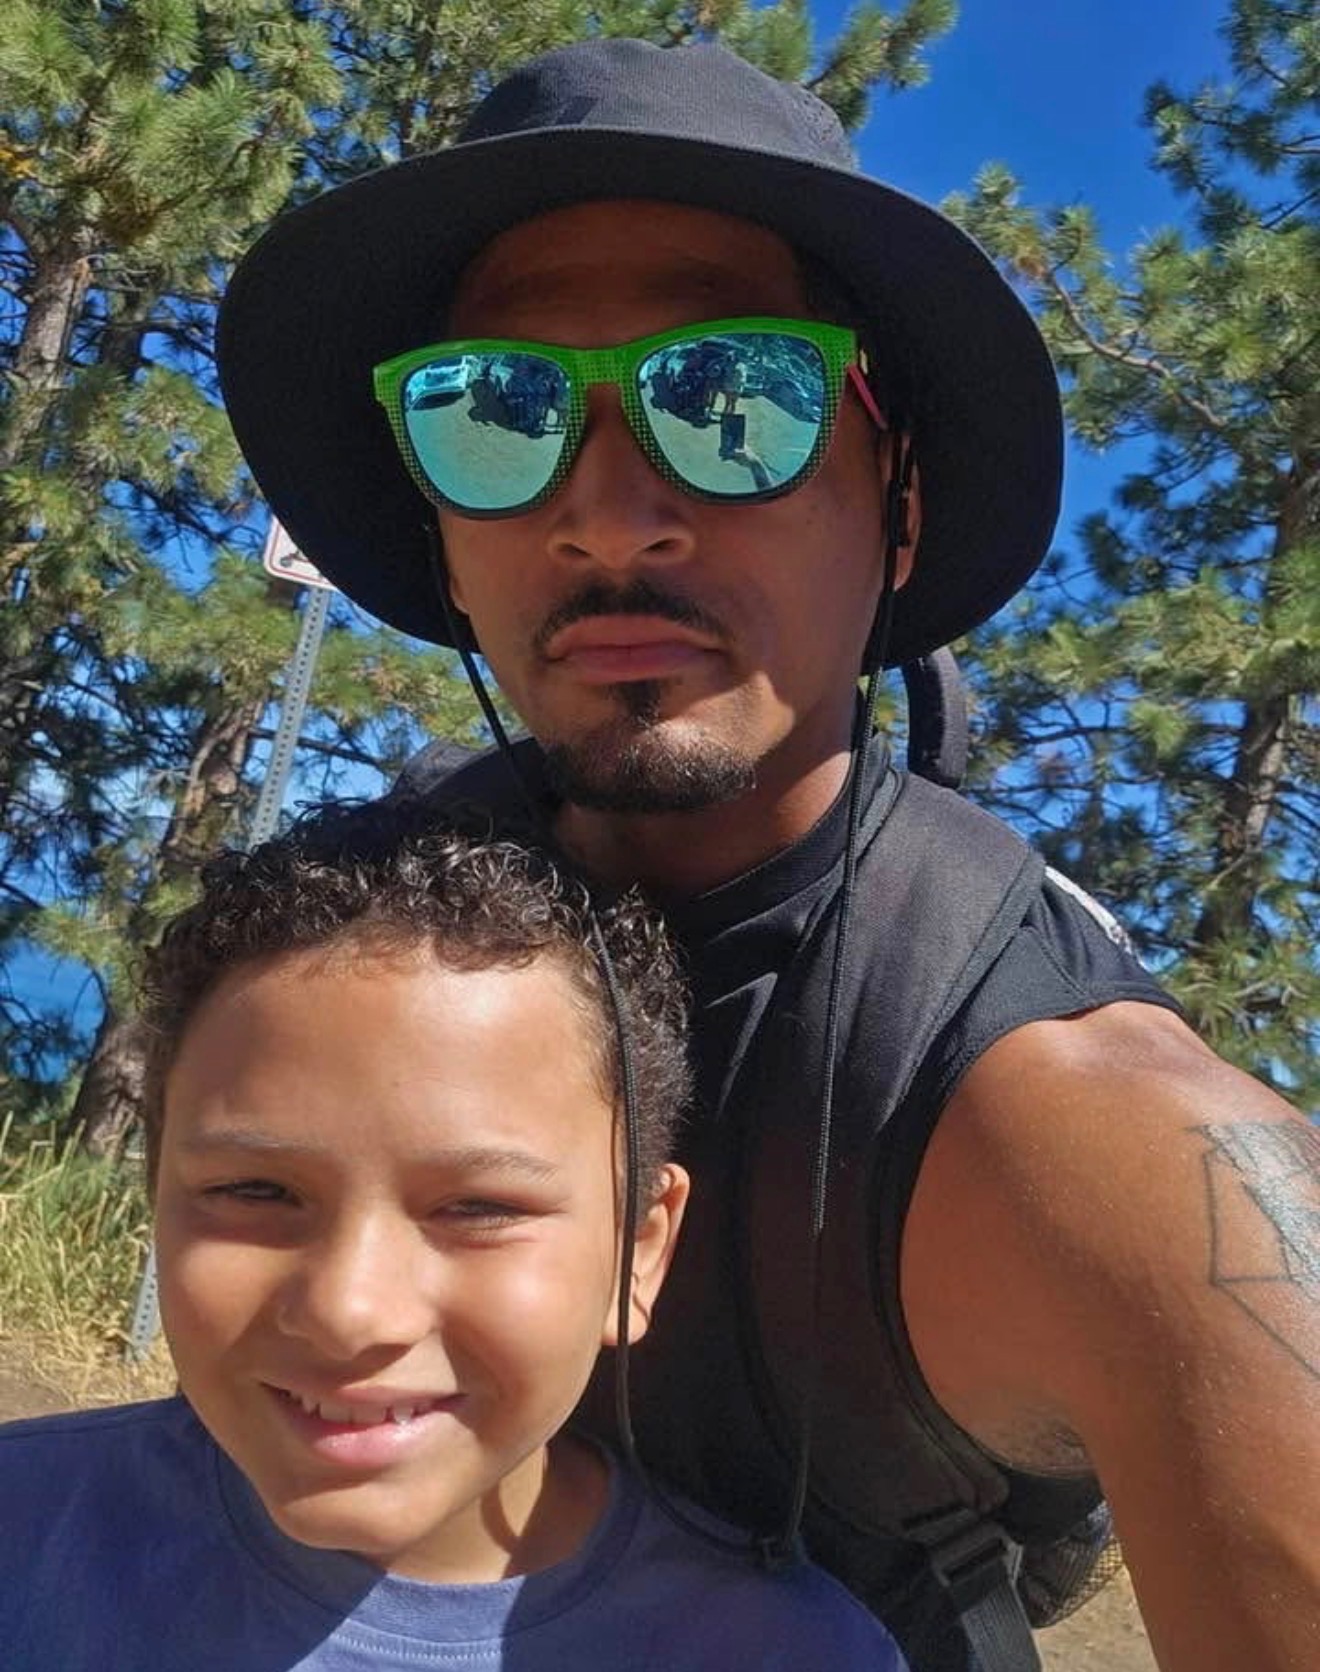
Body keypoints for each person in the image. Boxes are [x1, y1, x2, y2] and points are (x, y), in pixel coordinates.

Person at [214, 37, 1320, 1672]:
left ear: (901, 504)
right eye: (494, 408)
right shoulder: (376, 924)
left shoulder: (1080, 1132)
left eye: (737, 395)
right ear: (441, 542)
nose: (609, 513)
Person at [0, 801, 909, 1672]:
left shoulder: (790, 1655)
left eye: (479, 1209)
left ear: (638, 1252)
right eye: (254, 1190)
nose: (350, 1313)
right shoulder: (25, 1528)